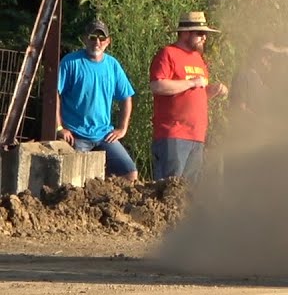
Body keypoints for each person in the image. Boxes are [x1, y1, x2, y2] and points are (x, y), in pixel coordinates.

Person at [149, 11, 229, 180]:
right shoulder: (168, 53)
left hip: (197, 135)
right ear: (185, 33)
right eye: (200, 33)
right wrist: (192, 83)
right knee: (169, 187)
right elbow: (157, 85)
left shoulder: (198, 59)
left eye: (205, 34)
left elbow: (194, 95)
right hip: (173, 133)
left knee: (188, 191)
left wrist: (212, 91)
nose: (204, 38)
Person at [55, 19, 139, 181]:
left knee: (130, 173)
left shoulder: (113, 65)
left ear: (108, 41)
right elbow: (54, 95)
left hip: (104, 135)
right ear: (84, 39)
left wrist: (122, 129)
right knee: (72, 180)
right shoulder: (70, 62)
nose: (97, 42)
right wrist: (59, 128)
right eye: (93, 37)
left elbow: (126, 97)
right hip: (75, 136)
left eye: (102, 38)